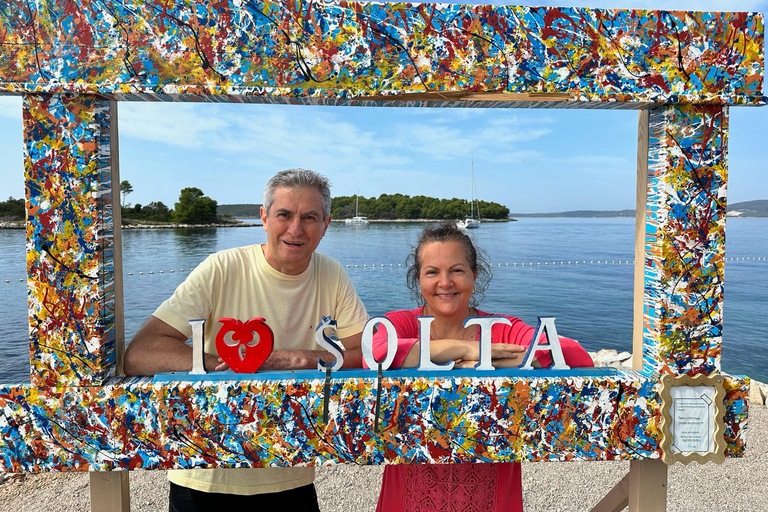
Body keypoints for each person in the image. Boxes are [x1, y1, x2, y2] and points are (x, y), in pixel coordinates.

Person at [124, 168, 369, 511]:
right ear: (264, 218)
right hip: (205, 472)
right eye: (284, 214)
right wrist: (222, 362)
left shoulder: (332, 275)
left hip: (290, 469)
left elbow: (370, 354)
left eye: (309, 217)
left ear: (326, 225)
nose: (295, 229)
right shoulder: (220, 268)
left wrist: (295, 358)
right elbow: (140, 353)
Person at [371, 222, 594, 512]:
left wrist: (508, 358)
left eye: (457, 270)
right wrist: (470, 350)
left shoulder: (503, 328)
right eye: (432, 272)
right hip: (411, 490)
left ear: (474, 276)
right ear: (419, 280)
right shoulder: (403, 323)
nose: (445, 282)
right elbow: (376, 352)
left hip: (490, 490)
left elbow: (574, 354)